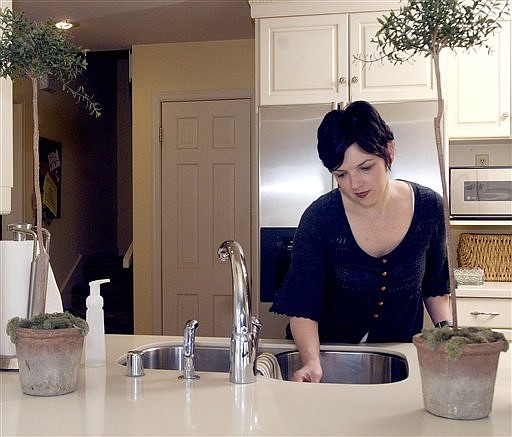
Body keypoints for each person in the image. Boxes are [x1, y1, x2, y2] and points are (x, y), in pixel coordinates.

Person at [270, 101, 452, 383]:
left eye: (365, 167)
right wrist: (311, 362)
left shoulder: (429, 208)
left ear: (389, 152)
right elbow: (303, 305)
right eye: (341, 174)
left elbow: (435, 286)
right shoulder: (320, 219)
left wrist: (449, 336)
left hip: (396, 358)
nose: (355, 184)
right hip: (327, 355)